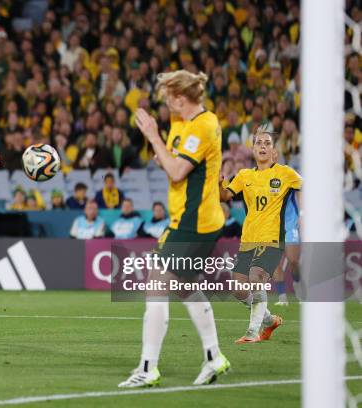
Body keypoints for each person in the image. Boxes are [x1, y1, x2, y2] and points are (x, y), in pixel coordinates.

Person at [119, 70, 230, 388]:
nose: (166, 105)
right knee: (184, 286)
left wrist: (153, 135)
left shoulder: (204, 125)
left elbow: (178, 171)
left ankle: (148, 367)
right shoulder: (182, 124)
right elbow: (171, 163)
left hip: (197, 224)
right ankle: (214, 357)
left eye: (169, 99)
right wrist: (162, 155)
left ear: (182, 99)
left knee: (157, 284)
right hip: (184, 220)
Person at [220, 123, 302, 343]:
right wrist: (220, 182)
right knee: (238, 289)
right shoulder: (244, 175)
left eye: (267, 143)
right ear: (253, 149)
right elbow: (224, 196)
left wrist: (303, 213)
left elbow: (304, 188)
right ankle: (269, 321)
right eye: (259, 143)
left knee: (256, 277)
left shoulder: (285, 173)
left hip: (273, 238)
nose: (263, 146)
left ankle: (252, 333)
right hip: (248, 239)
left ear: (274, 151)